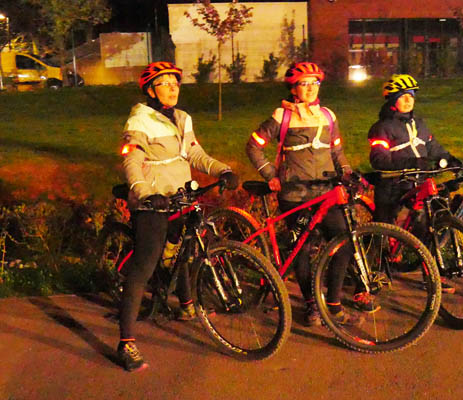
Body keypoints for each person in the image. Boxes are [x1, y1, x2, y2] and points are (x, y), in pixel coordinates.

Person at [118, 61, 239, 372]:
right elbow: (132, 160)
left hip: (181, 195)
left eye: (175, 83)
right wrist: (144, 191)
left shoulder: (182, 118)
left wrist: (223, 169)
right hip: (153, 201)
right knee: (144, 266)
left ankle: (186, 306)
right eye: (165, 84)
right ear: (150, 90)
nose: (173, 88)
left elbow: (194, 154)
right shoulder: (140, 120)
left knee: (185, 251)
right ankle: (126, 342)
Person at [246, 61, 378, 327]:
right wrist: (270, 175)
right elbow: (253, 146)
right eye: (303, 84)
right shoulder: (282, 117)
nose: (310, 88)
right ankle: (311, 304)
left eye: (314, 83)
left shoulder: (327, 116)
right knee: (301, 249)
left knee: (344, 243)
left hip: (325, 193)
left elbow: (336, 151)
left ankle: (333, 303)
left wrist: (347, 174)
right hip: (295, 195)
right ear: (293, 88)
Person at [367, 73, 460, 291]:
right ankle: (374, 274)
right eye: (402, 96)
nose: (408, 100)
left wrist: (450, 159)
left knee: (429, 229)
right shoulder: (382, 127)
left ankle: (431, 275)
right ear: (392, 100)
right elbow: (379, 160)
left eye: (411, 95)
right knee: (383, 232)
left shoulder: (420, 123)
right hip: (393, 185)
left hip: (418, 184)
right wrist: (413, 162)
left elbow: (433, 147)